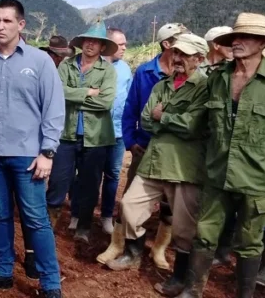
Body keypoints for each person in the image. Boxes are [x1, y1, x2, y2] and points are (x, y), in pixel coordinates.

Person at [179, 13, 265, 298]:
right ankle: (193, 289)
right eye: (234, 37)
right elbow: (202, 123)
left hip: (257, 178)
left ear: (261, 43)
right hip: (217, 173)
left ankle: (244, 294)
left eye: (245, 37)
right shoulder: (218, 78)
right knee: (205, 234)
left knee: (250, 242)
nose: (236, 42)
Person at [0, 0, 64, 298]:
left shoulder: (39, 62)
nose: (0, 27)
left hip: (27, 156)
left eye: (7, 21)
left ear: (21, 25)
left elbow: (54, 109)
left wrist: (47, 152)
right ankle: (3, 271)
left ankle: (50, 283)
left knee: (35, 218)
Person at [105, 34, 210, 297]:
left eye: (185, 55)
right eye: (175, 53)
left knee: (184, 226)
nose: (177, 59)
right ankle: (134, 252)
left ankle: (179, 276)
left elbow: (194, 126)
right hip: (155, 159)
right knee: (129, 206)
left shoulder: (205, 88)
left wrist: (163, 116)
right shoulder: (162, 85)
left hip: (184, 166)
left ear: (199, 59)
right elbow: (146, 120)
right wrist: (168, 120)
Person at [99, 23, 184, 267]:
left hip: (177, 153)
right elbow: (131, 109)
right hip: (145, 147)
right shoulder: (146, 72)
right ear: (167, 44)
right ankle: (121, 246)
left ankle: (158, 250)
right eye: (179, 41)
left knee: (170, 205)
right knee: (131, 200)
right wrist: (130, 139)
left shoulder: (191, 78)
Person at [46, 18, 117, 245]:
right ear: (82, 43)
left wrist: (74, 95)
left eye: (96, 42)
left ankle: (84, 227)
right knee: (58, 181)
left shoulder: (107, 70)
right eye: (88, 40)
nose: (90, 45)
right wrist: (88, 91)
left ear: (102, 47)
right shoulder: (66, 65)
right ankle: (49, 226)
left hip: (95, 138)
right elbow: (57, 93)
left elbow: (105, 103)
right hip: (65, 134)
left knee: (89, 184)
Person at [98, 28, 132, 236]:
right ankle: (79, 214)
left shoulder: (126, 69)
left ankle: (106, 216)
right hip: (96, 131)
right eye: (121, 44)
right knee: (89, 175)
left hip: (118, 132)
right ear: (109, 46)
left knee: (113, 174)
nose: (125, 48)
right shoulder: (96, 67)